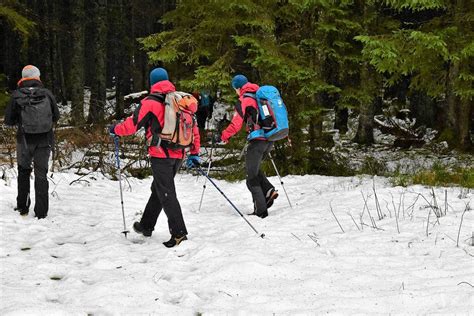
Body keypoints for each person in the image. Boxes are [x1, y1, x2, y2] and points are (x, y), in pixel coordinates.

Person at [109, 67, 201, 248]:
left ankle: (179, 233)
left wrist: (115, 129)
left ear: (152, 83)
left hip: (161, 154)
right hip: (179, 153)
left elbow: (132, 125)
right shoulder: (180, 100)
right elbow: (194, 129)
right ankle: (146, 225)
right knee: (159, 188)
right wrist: (195, 152)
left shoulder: (150, 102)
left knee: (166, 192)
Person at [213, 74, 278, 218]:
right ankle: (268, 191)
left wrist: (223, 136)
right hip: (270, 139)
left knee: (251, 178)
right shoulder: (260, 95)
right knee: (254, 170)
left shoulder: (244, 99)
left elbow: (236, 124)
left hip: (258, 140)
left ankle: (261, 211)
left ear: (237, 87)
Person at [4, 65, 60, 219]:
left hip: (24, 139)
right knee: (41, 174)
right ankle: (41, 212)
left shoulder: (17, 95)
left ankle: (23, 206)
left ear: (23, 77)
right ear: (37, 77)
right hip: (44, 139)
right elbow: (56, 116)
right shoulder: (47, 94)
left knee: (23, 171)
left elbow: (8, 120)